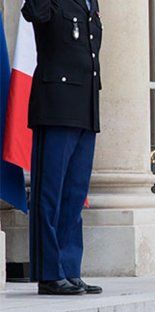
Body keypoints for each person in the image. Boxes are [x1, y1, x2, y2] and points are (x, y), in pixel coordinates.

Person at [22, 0, 103, 295]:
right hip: (55, 104)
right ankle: (49, 272)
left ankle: (70, 269)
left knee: (74, 195)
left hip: (85, 106)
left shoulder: (89, 1)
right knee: (49, 194)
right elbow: (33, 13)